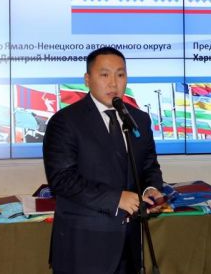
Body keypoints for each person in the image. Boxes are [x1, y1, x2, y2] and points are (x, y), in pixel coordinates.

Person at [43, 47, 164, 274]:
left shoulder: (139, 119)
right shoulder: (65, 122)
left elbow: (148, 164)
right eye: (104, 75)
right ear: (87, 79)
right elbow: (62, 179)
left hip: (129, 243)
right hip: (84, 245)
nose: (113, 83)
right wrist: (116, 198)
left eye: (120, 74)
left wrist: (150, 188)